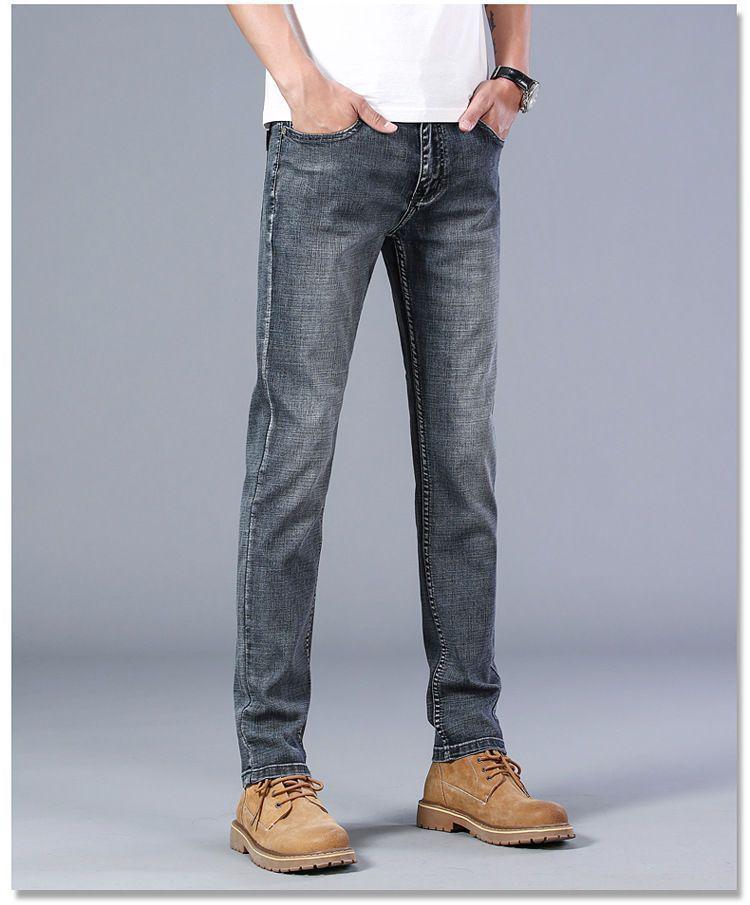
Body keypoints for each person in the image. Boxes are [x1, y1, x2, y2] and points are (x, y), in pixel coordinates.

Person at [227, 2, 573, 873]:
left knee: (464, 460)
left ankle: (467, 751)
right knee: (295, 456)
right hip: (331, 137)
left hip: (462, 139)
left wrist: (513, 69)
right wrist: (299, 82)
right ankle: (271, 773)